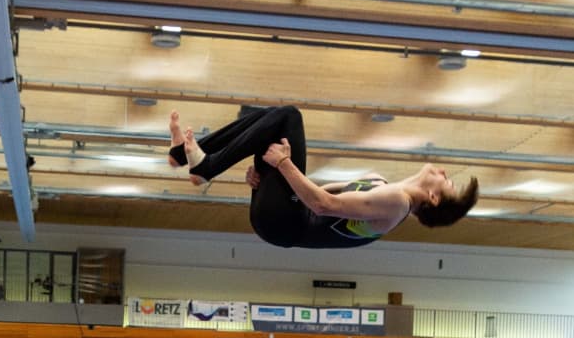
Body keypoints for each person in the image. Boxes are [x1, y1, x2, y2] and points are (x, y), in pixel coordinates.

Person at [167, 106, 478, 249]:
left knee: (290, 117)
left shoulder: (396, 203)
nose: (444, 172)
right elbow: (312, 190)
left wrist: (285, 166)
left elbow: (322, 204)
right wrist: (267, 178)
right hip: (283, 217)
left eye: (447, 183)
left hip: (288, 226)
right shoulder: (381, 183)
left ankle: (204, 167)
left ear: (434, 198)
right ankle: (186, 156)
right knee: (271, 122)